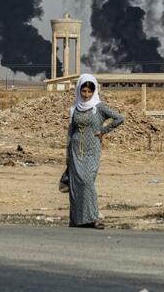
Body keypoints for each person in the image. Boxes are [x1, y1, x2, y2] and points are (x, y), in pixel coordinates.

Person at [65, 73, 124, 229]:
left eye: (89, 92)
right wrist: (67, 156)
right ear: (79, 91)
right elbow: (70, 133)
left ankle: (93, 218)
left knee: (87, 181)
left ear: (94, 92)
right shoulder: (74, 109)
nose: (86, 95)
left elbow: (119, 118)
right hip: (76, 151)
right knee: (76, 184)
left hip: (92, 150)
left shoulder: (99, 107)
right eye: (83, 91)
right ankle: (78, 220)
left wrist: (104, 130)